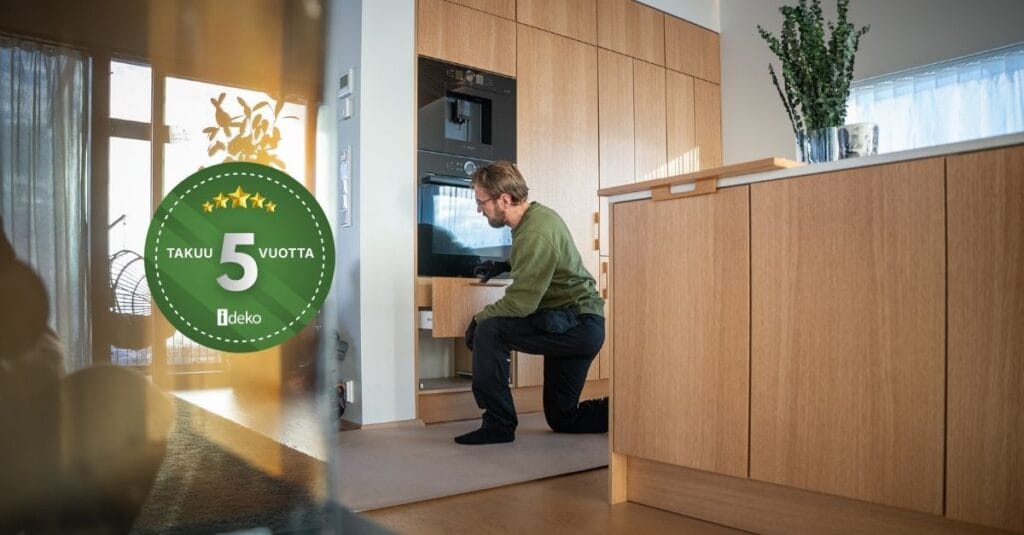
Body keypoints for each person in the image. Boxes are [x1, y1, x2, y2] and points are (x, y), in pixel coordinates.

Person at [456, 161, 608, 445]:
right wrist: (503, 265)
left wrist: (479, 318)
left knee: (490, 330)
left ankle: (499, 425)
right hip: (578, 322)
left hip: (574, 324)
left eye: (481, 202)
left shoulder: (536, 231)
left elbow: (521, 304)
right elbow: (539, 260)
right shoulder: (536, 218)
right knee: (563, 418)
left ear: (504, 200)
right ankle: (627, 411)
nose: (479, 210)